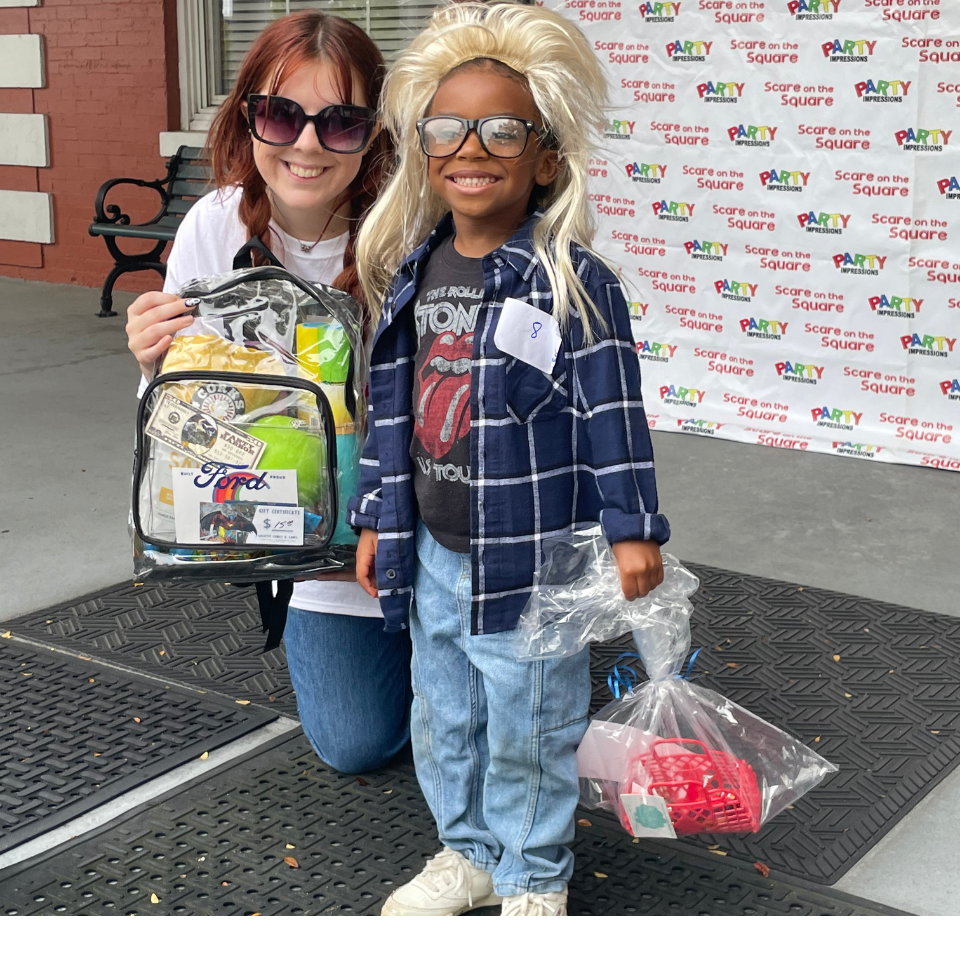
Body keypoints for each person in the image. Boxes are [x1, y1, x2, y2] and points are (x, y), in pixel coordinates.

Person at [350, 2, 670, 917]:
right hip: (434, 554)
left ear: (547, 155)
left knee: (531, 720)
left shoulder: (572, 281)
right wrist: (377, 517)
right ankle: (471, 852)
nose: (471, 146)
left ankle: (534, 875)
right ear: (422, 148)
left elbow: (615, 413)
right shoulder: (413, 271)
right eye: (447, 128)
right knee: (442, 714)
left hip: (529, 561)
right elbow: (392, 417)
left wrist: (632, 530)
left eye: (502, 127)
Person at [124, 11, 412, 774]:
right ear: (248, 117)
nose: (308, 144)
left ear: (374, 132)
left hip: (426, 534)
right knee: (356, 745)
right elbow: (182, 434)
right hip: (312, 547)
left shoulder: (413, 232)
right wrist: (157, 367)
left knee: (488, 706)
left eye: (341, 122)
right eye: (282, 115)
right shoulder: (214, 229)